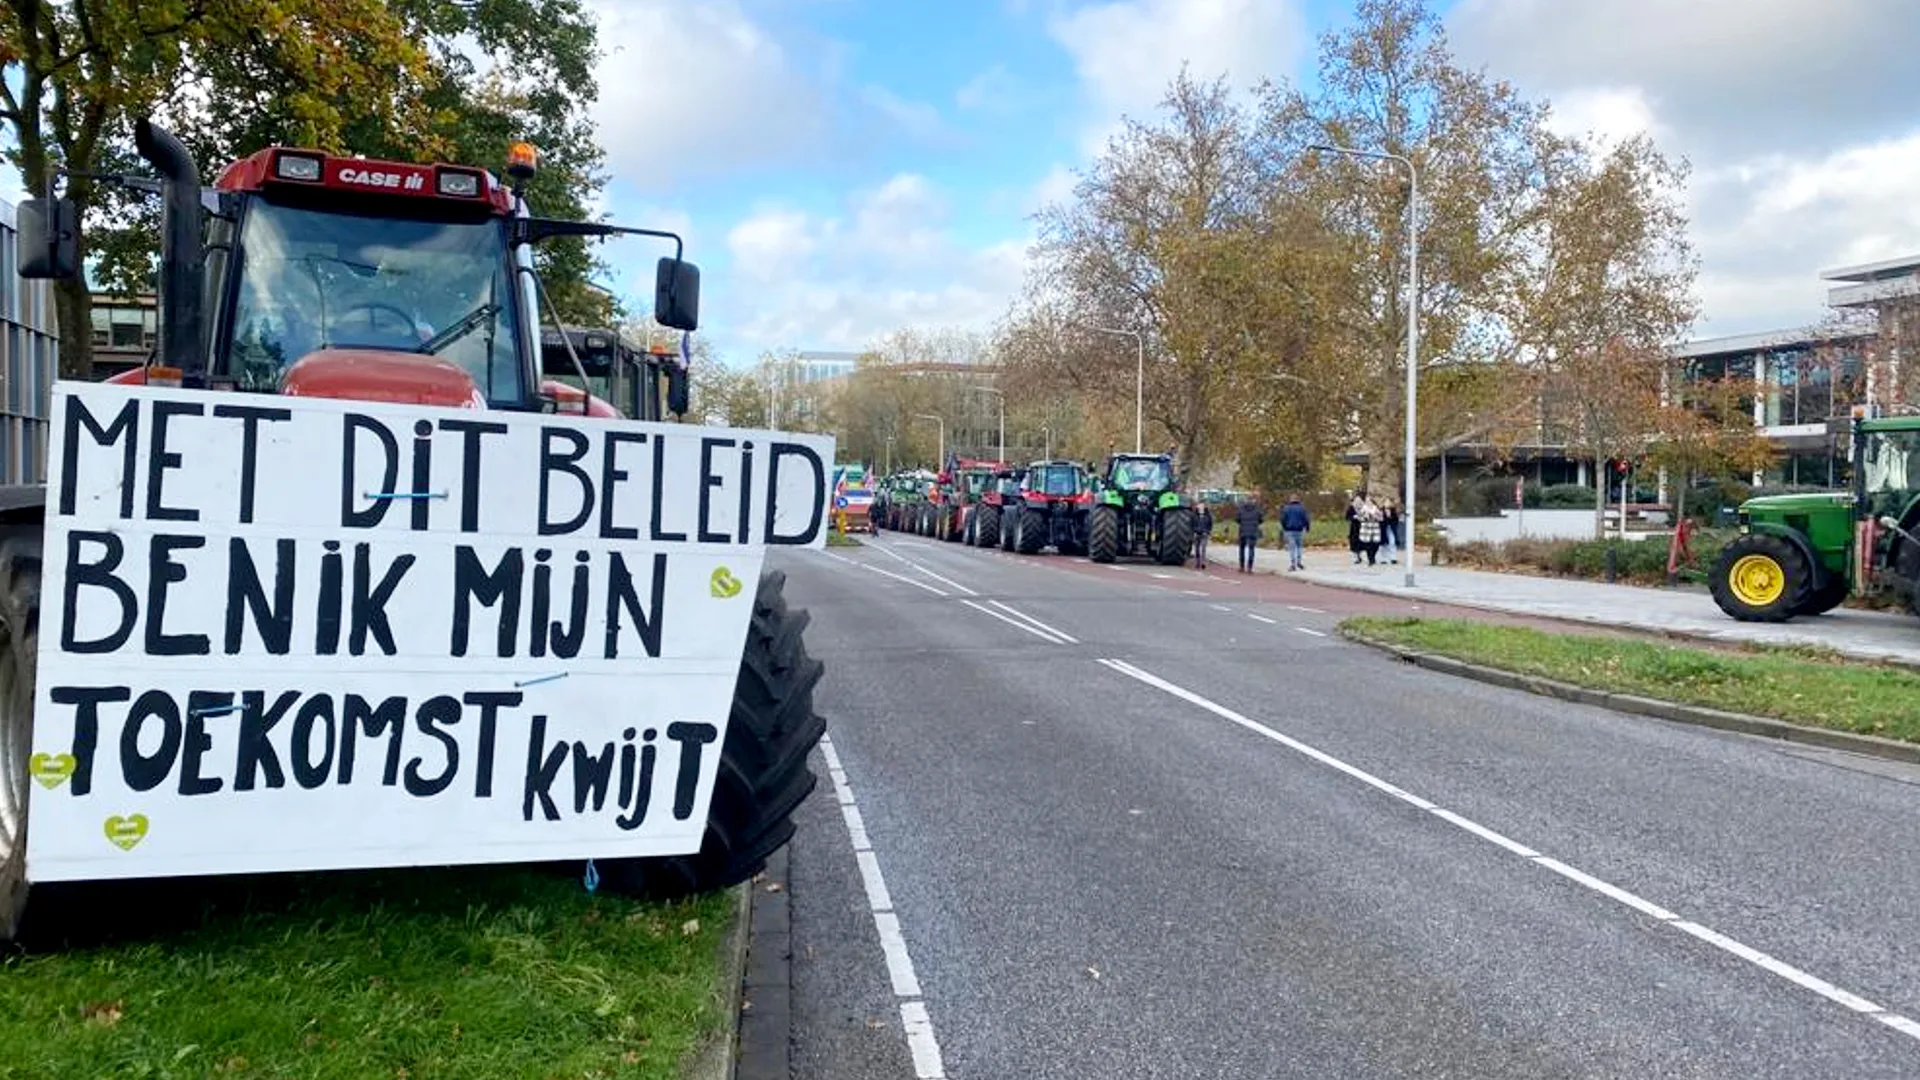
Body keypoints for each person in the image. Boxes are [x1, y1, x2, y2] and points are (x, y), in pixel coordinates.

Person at [1280, 494, 1311, 571]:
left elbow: (1283, 519)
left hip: (1289, 530)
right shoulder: (1302, 508)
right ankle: (1299, 562)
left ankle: (1293, 564)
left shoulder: (1286, 508)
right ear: (1298, 500)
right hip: (1299, 530)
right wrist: (1307, 528)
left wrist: (1284, 527)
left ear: (1290, 500)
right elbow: (1306, 519)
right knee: (1299, 546)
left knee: (1292, 547)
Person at [1235, 497, 1264, 573]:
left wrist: (1242, 523)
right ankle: (1250, 567)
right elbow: (1261, 519)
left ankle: (1241, 566)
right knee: (1251, 549)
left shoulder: (1241, 509)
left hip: (1243, 531)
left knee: (1242, 548)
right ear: (1253, 501)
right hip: (1253, 531)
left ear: (1246, 501)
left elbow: (1237, 519)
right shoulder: (1257, 509)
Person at [1357, 494, 1383, 566]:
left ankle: (1373, 556)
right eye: (1366, 501)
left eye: (1369, 500)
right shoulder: (1363, 509)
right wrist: (1364, 518)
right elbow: (1359, 518)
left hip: (1375, 527)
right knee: (1368, 544)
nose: (1367, 502)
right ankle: (1370, 559)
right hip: (1366, 527)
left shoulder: (1376, 508)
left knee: (1376, 544)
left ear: (1372, 501)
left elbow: (1381, 518)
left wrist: (1376, 517)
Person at [1379, 498, 1401, 565]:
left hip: (1391, 528)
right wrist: (1384, 517)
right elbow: (1380, 520)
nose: (1387, 503)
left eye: (1388, 502)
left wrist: (1390, 517)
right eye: (1386, 502)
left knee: (1392, 542)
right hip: (1383, 529)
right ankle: (1383, 559)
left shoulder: (1393, 511)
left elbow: (1396, 520)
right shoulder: (1381, 510)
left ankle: (1393, 558)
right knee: (1384, 544)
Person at [1193, 500, 1214, 569]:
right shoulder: (1194, 515)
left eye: (1202, 505)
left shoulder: (1208, 515)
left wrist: (1208, 532)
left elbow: (1210, 524)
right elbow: (1191, 524)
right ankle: (1197, 562)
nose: (1200, 507)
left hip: (1204, 534)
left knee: (1203, 548)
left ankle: (1203, 563)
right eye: (1199, 505)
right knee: (1197, 549)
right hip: (1197, 533)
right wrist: (1194, 532)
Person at [1346, 493, 1364, 564]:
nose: (1357, 502)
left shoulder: (1364, 507)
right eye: (1356, 501)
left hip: (1362, 527)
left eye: (1359, 501)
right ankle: (1356, 557)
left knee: (1361, 542)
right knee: (1354, 542)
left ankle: (1360, 555)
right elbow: (1347, 517)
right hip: (1354, 527)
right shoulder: (1351, 508)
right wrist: (1353, 517)